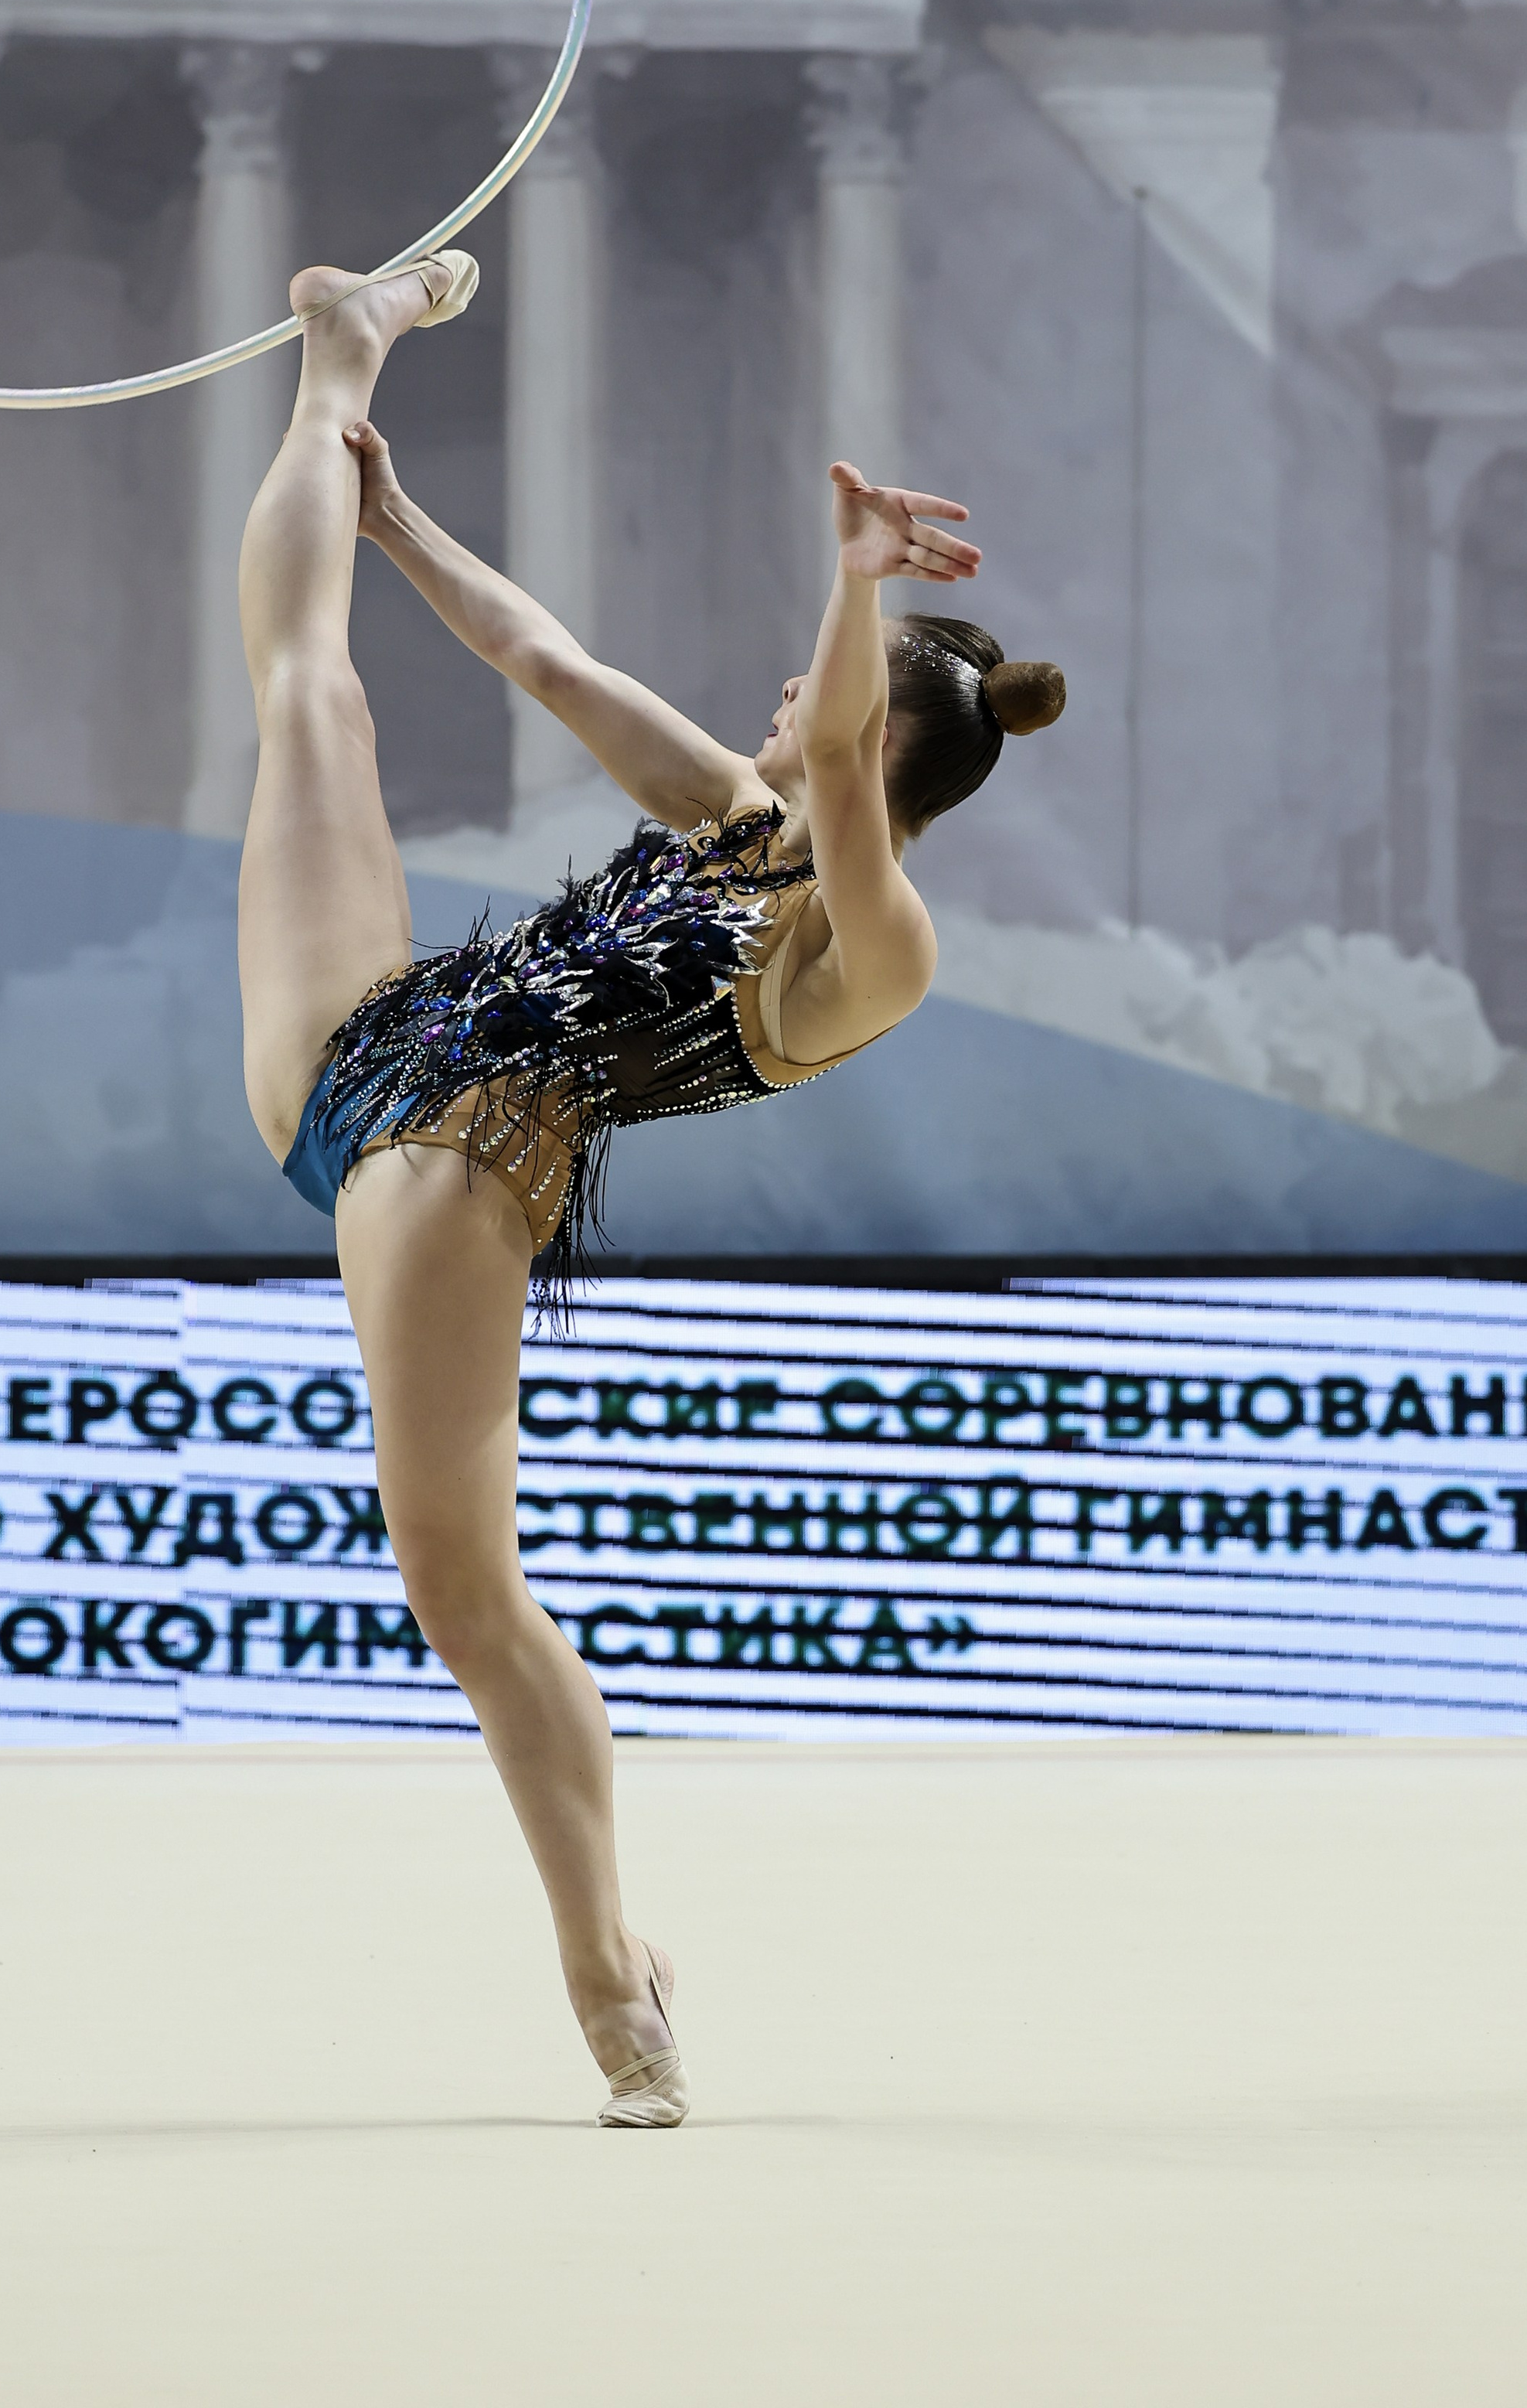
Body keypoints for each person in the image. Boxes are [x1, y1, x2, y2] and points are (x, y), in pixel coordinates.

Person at [237, 250, 1065, 2127]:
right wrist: (400, 518)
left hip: (465, 1166)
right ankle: (335, 357)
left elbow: (847, 759)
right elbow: (551, 665)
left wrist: (855, 587)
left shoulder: (871, 941)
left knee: (456, 1581)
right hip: (364, 1055)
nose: (778, 698)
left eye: (815, 687)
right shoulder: (738, 819)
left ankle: (607, 1973)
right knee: (311, 703)